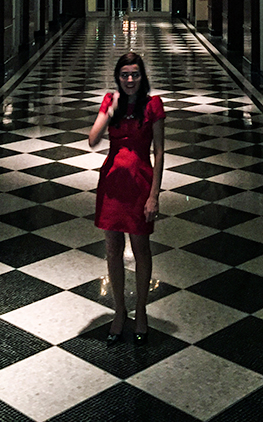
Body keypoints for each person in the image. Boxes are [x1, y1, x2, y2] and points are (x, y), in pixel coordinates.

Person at [89, 51, 165, 346]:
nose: (130, 80)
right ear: (117, 77)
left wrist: (154, 195)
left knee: (141, 247)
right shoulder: (110, 102)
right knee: (112, 248)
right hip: (111, 182)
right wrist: (109, 112)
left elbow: (159, 151)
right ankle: (119, 310)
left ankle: (142, 311)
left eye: (135, 74)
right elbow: (92, 139)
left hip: (140, 183)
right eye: (124, 75)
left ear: (142, 76)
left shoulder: (152, 105)